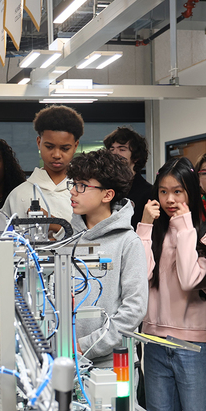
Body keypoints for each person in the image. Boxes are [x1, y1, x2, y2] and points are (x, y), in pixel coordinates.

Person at [137, 157, 206, 411]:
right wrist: (145, 226)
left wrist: (184, 227)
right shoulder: (153, 233)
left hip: (195, 343)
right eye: (163, 191)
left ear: (191, 192)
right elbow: (141, 276)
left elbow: (189, 280)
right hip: (155, 340)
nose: (170, 199)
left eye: (177, 191)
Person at [67, 149, 148, 368]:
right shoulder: (65, 240)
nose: (73, 192)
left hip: (113, 362)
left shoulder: (128, 242)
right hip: (66, 359)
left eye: (82, 186)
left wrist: (86, 345)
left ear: (107, 195)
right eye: (73, 184)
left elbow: (134, 309)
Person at [2, 105, 84, 234]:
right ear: (38, 142)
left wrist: (55, 225)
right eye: (49, 147)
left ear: (76, 146)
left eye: (65, 148)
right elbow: (4, 239)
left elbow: (95, 238)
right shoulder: (19, 195)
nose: (57, 155)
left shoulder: (86, 191)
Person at [104, 126, 152, 230]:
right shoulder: (103, 188)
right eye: (112, 149)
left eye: (122, 149)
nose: (115, 154)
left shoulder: (148, 192)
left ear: (136, 157)